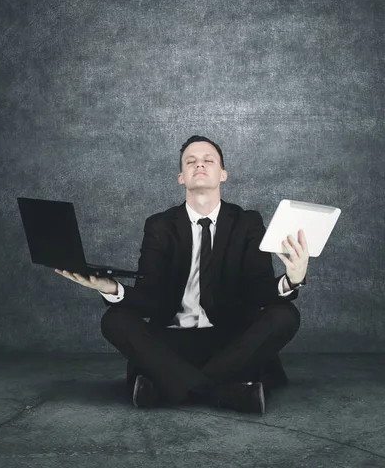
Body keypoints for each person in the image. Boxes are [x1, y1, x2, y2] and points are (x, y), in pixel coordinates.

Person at [55, 135, 309, 414]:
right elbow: (151, 298)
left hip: (231, 341)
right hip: (172, 340)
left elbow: (258, 290)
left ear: (223, 173)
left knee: (285, 315)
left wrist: (291, 280)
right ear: (181, 177)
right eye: (191, 161)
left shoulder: (247, 221)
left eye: (208, 160)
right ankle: (223, 392)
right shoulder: (160, 225)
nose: (199, 165)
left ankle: (169, 386)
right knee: (115, 319)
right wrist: (111, 288)